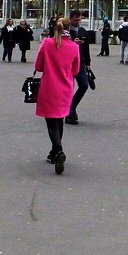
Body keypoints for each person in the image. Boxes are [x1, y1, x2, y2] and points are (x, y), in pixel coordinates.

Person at [34, 17, 80, 175]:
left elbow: (38, 66)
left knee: (51, 122)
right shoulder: (74, 47)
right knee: (59, 119)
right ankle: (54, 152)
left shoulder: (47, 43)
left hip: (49, 87)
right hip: (66, 88)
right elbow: (75, 70)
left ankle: (58, 151)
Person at [66, 11, 92, 125]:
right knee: (68, 88)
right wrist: (72, 42)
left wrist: (88, 62)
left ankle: (72, 107)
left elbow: (86, 47)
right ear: (70, 19)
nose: (78, 22)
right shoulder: (65, 31)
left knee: (84, 86)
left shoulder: (82, 31)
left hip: (81, 62)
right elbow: (60, 45)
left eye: (79, 20)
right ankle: (69, 113)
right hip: (68, 63)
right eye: (76, 20)